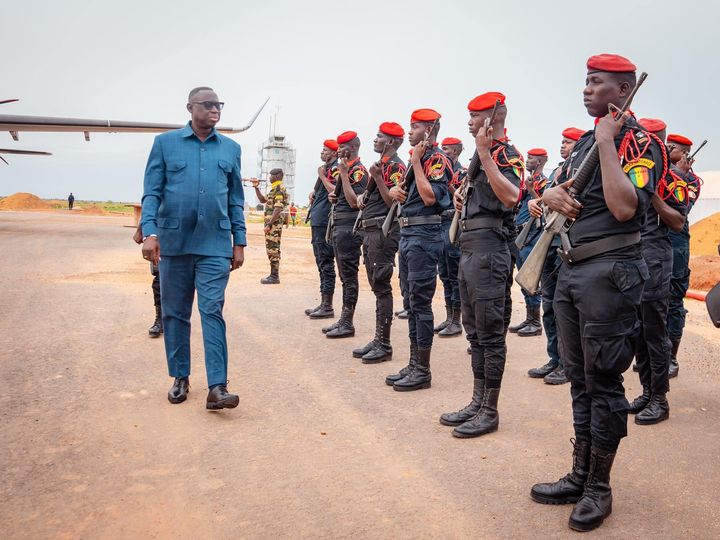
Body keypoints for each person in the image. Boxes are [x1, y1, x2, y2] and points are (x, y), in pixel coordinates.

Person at [530, 55, 664, 532]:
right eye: (584, 80)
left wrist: (609, 144)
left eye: (597, 82)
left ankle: (599, 489)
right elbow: (555, 189)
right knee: (579, 378)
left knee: (604, 380)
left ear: (624, 90)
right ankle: (579, 472)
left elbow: (626, 207)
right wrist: (544, 197)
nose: (586, 89)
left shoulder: (641, 143)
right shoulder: (585, 142)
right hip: (570, 271)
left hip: (611, 274)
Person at [140, 86, 246, 410]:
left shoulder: (231, 149)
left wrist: (239, 241)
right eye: (208, 105)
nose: (215, 110)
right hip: (174, 244)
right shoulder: (165, 144)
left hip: (215, 243)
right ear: (190, 108)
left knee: (212, 310)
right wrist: (150, 232)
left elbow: (235, 199)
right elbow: (152, 192)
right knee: (175, 314)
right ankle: (180, 377)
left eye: (219, 105)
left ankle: (217, 387)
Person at [439, 92, 523, 437]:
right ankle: (476, 401)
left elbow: (511, 196)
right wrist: (463, 194)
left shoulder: (507, 155)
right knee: (474, 331)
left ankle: (490, 410)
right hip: (471, 247)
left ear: (494, 117)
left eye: (475, 116)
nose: (470, 122)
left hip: (491, 250)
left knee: (490, 333)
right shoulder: (479, 158)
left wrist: (486, 154)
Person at [384, 108, 451, 391]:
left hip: (425, 234)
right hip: (409, 233)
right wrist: (394, 191)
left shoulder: (436, 160)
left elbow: (429, 197)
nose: (409, 131)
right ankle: (414, 362)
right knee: (410, 302)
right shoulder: (418, 161)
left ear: (429, 129)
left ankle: (423, 370)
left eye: (414, 127)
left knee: (421, 303)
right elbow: (403, 193)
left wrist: (415, 161)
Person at [626, 118, 687, 425]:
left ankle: (660, 399)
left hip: (656, 256)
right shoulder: (634, 173)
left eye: (647, 140)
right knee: (637, 331)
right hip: (633, 255)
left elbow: (677, 222)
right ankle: (647, 391)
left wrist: (653, 196)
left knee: (655, 331)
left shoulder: (669, 180)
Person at [527, 127, 584, 385]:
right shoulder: (559, 172)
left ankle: (567, 363)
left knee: (564, 311)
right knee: (549, 306)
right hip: (548, 241)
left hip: (565, 244)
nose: (564, 146)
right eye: (561, 141)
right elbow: (548, 198)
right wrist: (535, 201)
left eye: (568, 142)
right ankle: (555, 358)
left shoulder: (581, 171)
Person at [352, 122, 406, 364]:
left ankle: (384, 343)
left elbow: (392, 203)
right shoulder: (380, 166)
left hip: (383, 232)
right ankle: (378, 338)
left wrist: (377, 179)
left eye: (379, 136)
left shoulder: (395, 167)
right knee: (376, 284)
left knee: (382, 285)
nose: (374, 139)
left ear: (391, 142)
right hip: (371, 230)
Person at [322, 131, 368, 338]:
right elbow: (340, 197)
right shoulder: (346, 169)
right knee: (344, 276)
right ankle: (343, 318)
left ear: (354, 146)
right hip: (339, 226)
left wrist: (342, 174)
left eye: (343, 146)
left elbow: (353, 201)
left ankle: (347, 322)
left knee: (349, 276)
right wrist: (334, 195)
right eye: (338, 147)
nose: (339, 150)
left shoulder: (358, 171)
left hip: (350, 228)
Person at [664, 133, 703, 378]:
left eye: (673, 147)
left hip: (676, 245)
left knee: (674, 302)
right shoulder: (662, 172)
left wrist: (679, 173)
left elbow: (682, 209)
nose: (667, 149)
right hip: (654, 243)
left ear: (685, 153)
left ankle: (671, 358)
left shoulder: (691, 180)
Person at [509, 148, 548, 337]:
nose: (528, 160)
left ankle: (535, 322)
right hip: (521, 236)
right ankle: (529, 318)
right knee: (524, 281)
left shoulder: (545, 183)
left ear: (540, 161)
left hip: (532, 235)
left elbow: (544, 205)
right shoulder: (527, 182)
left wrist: (531, 189)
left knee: (531, 280)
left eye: (531, 158)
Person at [433, 137, 465, 337]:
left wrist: (449, 185)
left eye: (447, 149)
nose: (443, 152)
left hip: (453, 224)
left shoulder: (462, 173)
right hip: (439, 224)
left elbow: (461, 197)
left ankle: (456, 320)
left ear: (456, 151)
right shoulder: (438, 169)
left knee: (454, 274)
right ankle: (448, 316)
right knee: (444, 273)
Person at [305, 139, 339, 319]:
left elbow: (335, 190)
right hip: (318, 220)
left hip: (325, 221)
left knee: (326, 262)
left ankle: (328, 306)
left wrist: (323, 176)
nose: (322, 152)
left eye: (325, 150)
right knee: (321, 263)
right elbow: (322, 192)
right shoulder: (326, 169)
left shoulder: (334, 169)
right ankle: (324, 303)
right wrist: (314, 193)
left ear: (334, 153)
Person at [254, 168, 288, 284]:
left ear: (277, 176)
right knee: (271, 249)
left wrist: (269, 224)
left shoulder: (279, 189)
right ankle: (273, 275)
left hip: (274, 225)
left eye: (271, 175)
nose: (269, 177)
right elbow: (262, 200)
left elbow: (278, 209)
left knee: (273, 249)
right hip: (272, 225)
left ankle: (274, 276)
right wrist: (256, 187)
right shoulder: (274, 189)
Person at [133, 224, 163, 337]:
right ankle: (160, 319)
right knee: (159, 279)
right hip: (161, 231)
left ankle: (176, 319)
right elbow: (149, 206)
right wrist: (142, 228)